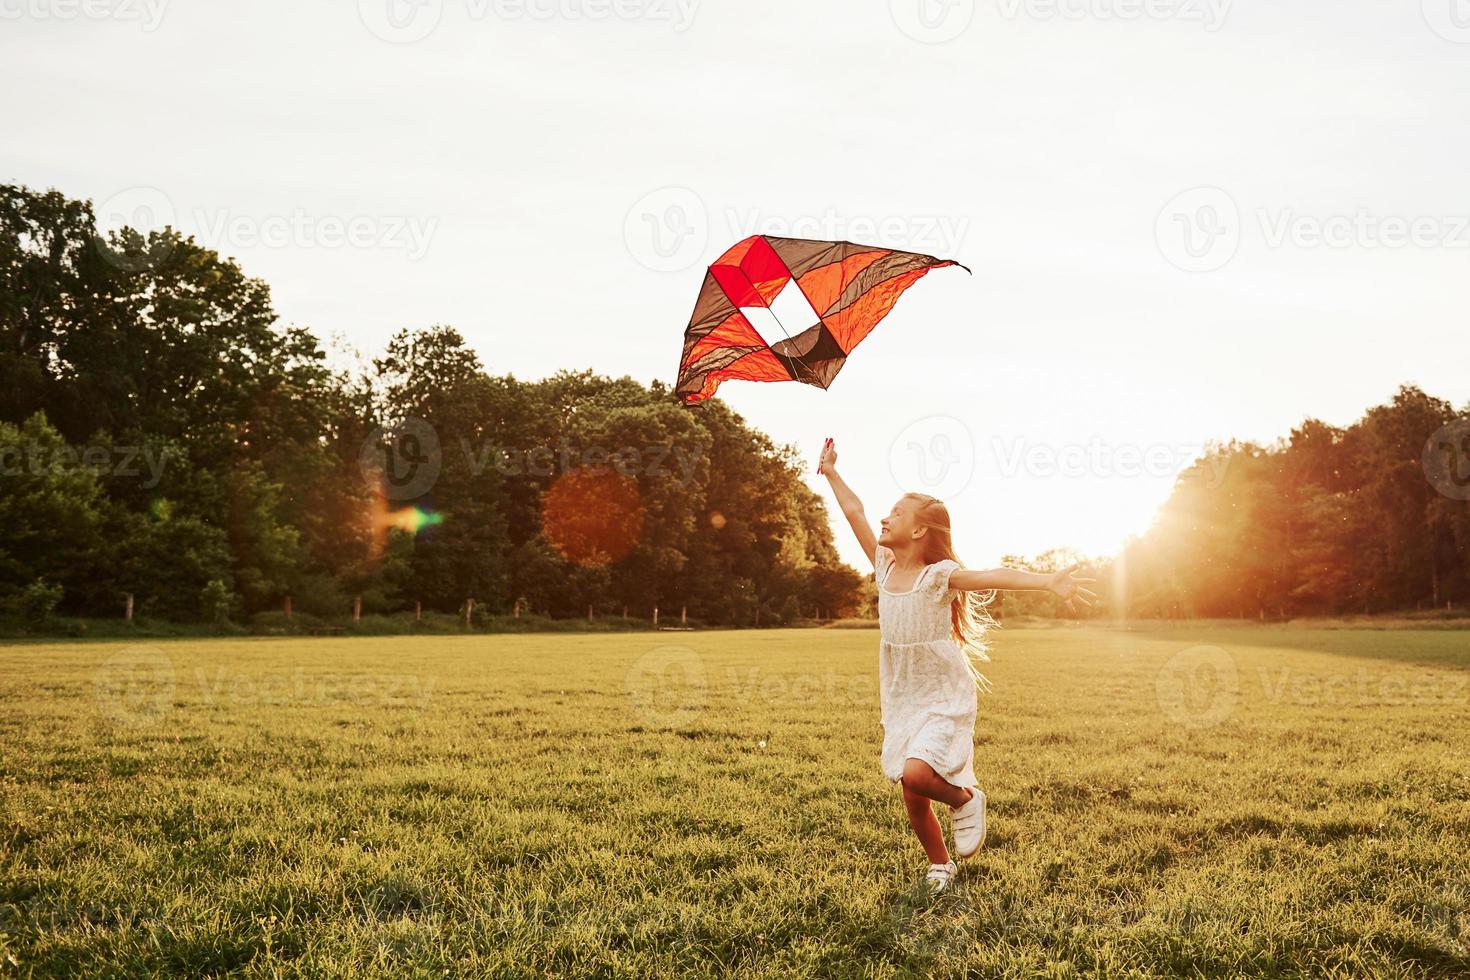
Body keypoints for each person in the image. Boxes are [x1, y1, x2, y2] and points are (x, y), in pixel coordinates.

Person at [818, 438, 1096, 893]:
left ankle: (966, 799)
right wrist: (830, 473)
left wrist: (1046, 581)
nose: (885, 518)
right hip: (903, 691)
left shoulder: (938, 575)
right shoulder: (884, 565)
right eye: (887, 512)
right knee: (911, 792)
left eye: (897, 514)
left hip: (941, 690)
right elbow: (855, 512)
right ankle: (940, 864)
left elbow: (991, 576)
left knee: (918, 775)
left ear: (919, 532)